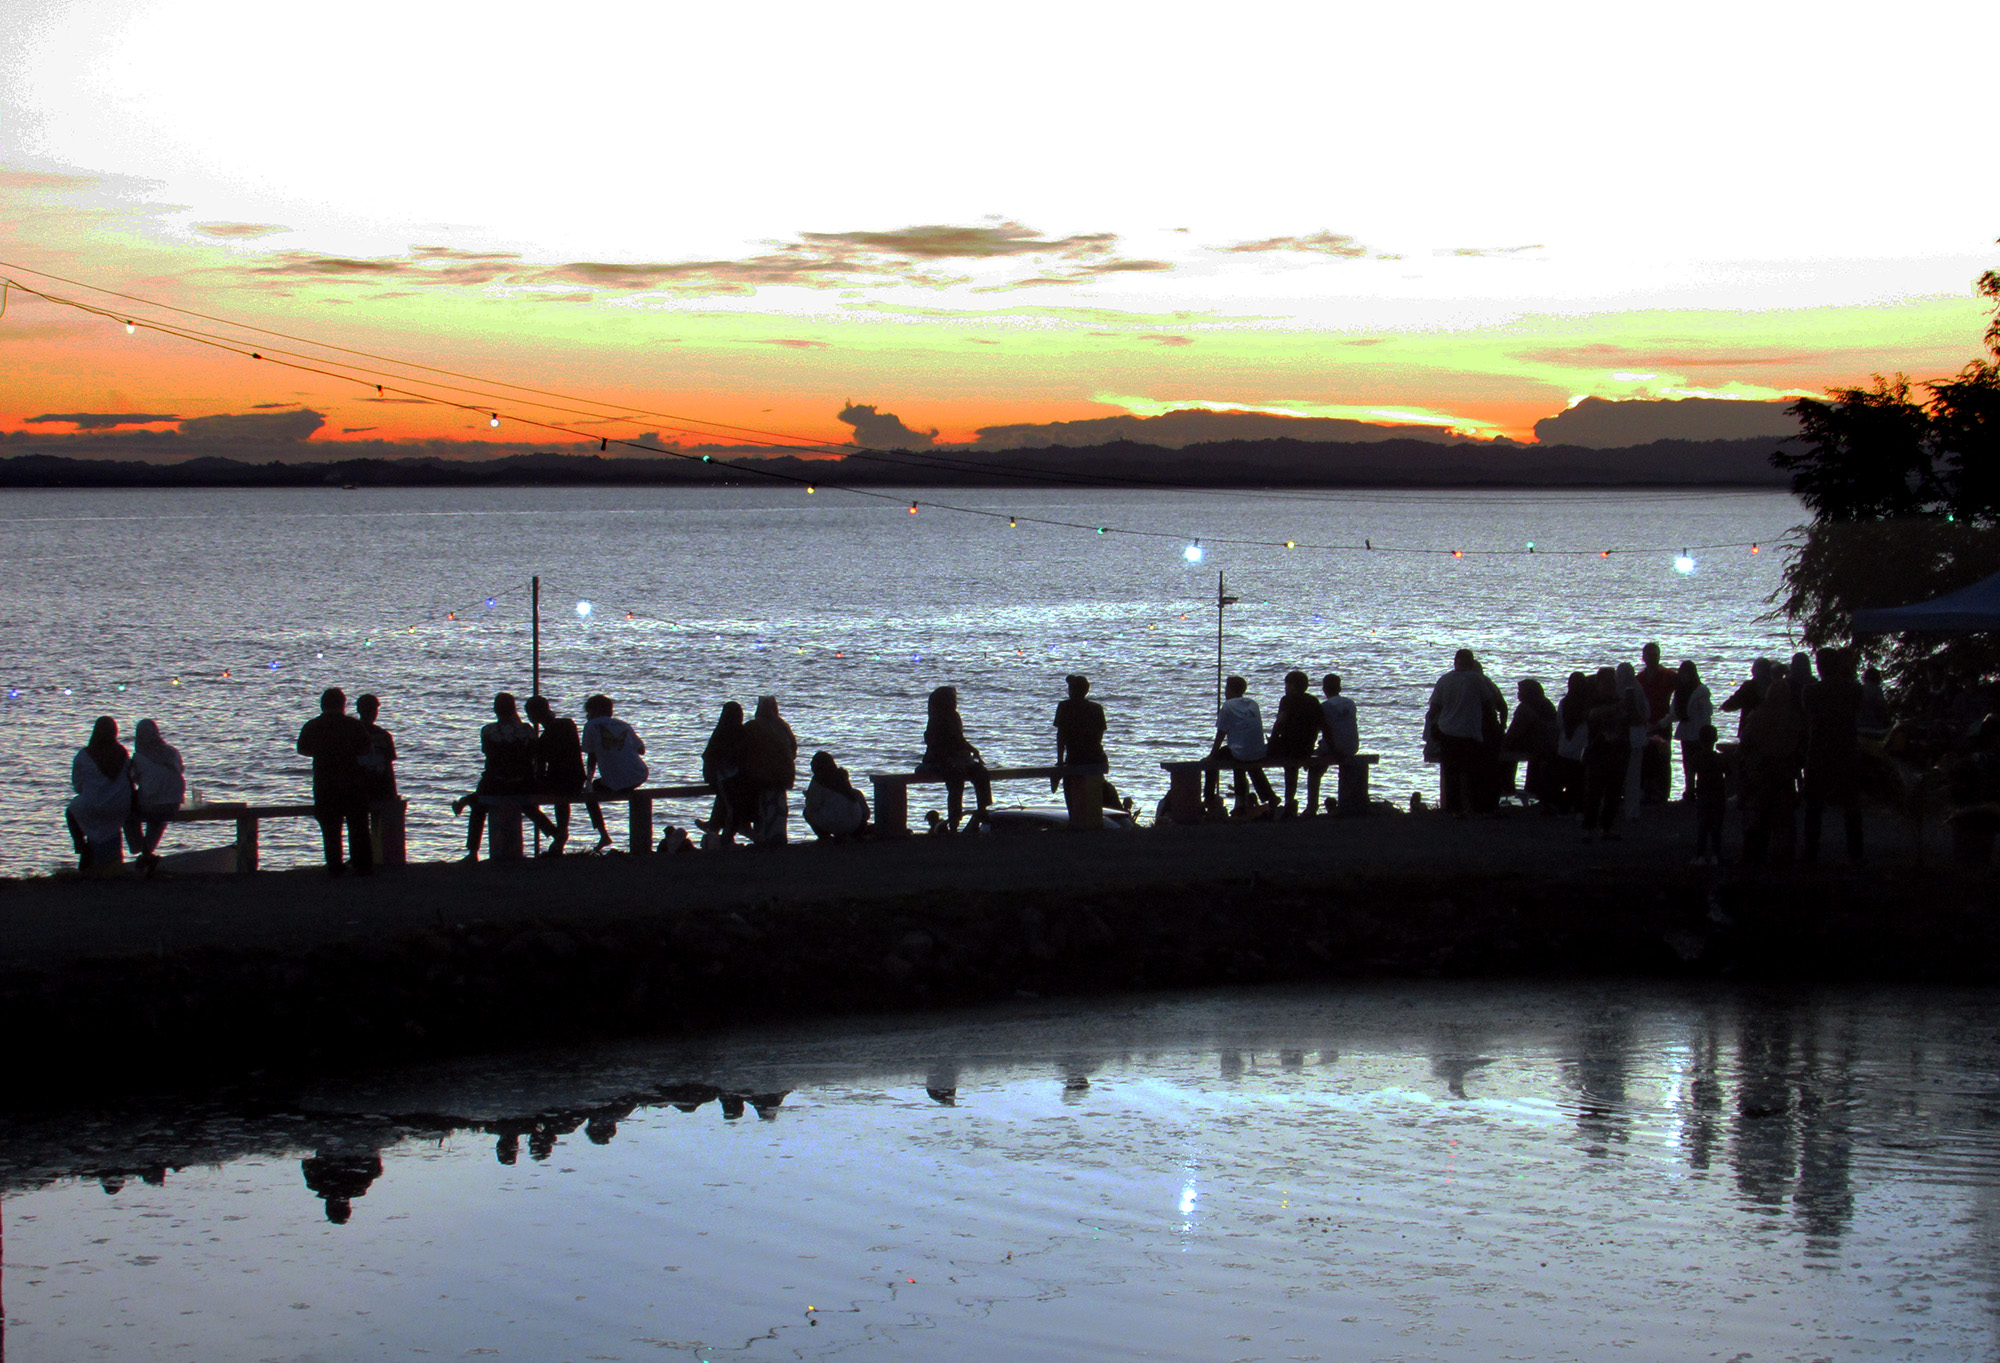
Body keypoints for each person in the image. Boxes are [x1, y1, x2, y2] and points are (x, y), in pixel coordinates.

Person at [459, 692, 557, 860]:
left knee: (479, 807)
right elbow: (535, 755)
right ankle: (553, 832)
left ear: (495, 710)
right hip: (523, 782)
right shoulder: (527, 730)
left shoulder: (488, 730)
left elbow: (487, 753)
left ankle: (473, 851)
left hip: (495, 783)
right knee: (526, 804)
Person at [1801, 646, 1866, 863]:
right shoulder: (1854, 689)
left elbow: (1808, 714)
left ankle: (1811, 852)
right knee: (1851, 806)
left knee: (1814, 806)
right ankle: (1855, 853)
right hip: (1846, 748)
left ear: (1819, 667)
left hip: (1819, 749)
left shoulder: (1811, 691)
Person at [297, 688, 372, 876]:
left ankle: (334, 865)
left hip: (325, 783)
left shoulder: (313, 725)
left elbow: (302, 749)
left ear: (323, 705)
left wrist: (322, 752)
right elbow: (366, 749)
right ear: (343, 705)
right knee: (357, 826)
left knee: (330, 828)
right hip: (352, 783)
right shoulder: (353, 725)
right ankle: (361, 865)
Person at [1426, 649, 1506, 818]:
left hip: (1447, 731)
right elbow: (1489, 704)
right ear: (1471, 662)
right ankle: (1476, 807)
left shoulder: (1444, 679)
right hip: (1470, 731)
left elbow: (1434, 709)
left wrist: (1432, 728)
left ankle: (1455, 809)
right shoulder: (1476, 679)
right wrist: (1496, 728)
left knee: (1452, 772)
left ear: (1455, 661)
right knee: (1472, 771)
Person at [1739, 672, 1802, 865]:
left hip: (1764, 769)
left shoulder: (1758, 715)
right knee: (1784, 817)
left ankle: (1755, 854)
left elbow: (1747, 741)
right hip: (1785, 771)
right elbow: (1798, 745)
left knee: (1760, 814)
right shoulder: (1793, 717)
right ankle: (1784, 854)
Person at [525, 694, 600, 856]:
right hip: (577, 778)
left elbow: (539, 768)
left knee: (524, 800)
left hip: (560, 781)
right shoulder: (568, 724)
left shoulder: (543, 740)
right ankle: (561, 833)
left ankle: (555, 832)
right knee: (561, 796)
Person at [920, 685, 991, 831]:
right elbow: (937, 746)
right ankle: (954, 821)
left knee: (981, 773)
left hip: (957, 758)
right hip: (938, 760)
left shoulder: (954, 717)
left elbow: (960, 740)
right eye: (952, 699)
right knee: (956, 778)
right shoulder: (937, 719)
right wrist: (953, 758)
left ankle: (982, 811)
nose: (955, 702)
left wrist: (972, 751)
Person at [67, 716, 132, 872]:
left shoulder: (84, 755)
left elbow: (77, 785)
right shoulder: (122, 753)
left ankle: (81, 846)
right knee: (106, 821)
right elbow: (129, 778)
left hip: (93, 804)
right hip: (120, 805)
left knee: (71, 811)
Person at [1208, 675, 1277, 816]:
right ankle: (1267, 797)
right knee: (1247, 762)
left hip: (1240, 752)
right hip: (1259, 750)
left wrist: (1212, 754)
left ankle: (1208, 797)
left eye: (1226, 688)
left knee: (1214, 763)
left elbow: (1221, 733)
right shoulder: (1253, 703)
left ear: (1230, 690)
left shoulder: (1228, 706)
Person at [1052, 674, 1115, 829]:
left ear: (1071, 690)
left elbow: (1061, 737)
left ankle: (1075, 821)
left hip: (1075, 758)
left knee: (1071, 792)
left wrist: (1060, 762)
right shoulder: (1096, 708)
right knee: (1092, 794)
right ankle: (1091, 822)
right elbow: (1099, 736)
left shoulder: (1065, 707)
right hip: (1094, 758)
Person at [125, 718, 185, 873]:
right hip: (174, 802)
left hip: (153, 803)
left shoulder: (139, 757)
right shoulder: (172, 752)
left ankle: (137, 846)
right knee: (159, 817)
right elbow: (180, 770)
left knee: (128, 810)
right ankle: (146, 854)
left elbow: (133, 779)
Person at [1266, 669, 1328, 818]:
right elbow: (1321, 725)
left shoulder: (1287, 700)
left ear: (1293, 686)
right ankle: (1309, 805)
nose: (1285, 688)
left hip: (1289, 747)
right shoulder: (1313, 701)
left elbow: (1280, 722)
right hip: (1306, 747)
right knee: (1294, 764)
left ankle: (1289, 801)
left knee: (1290, 767)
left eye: (1287, 685)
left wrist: (1273, 741)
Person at [740, 695, 799, 846]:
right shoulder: (783, 726)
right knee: (777, 806)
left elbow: (743, 751)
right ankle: (776, 836)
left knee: (762, 804)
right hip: (784, 775)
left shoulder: (753, 726)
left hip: (762, 777)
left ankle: (763, 836)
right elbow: (793, 750)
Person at [1580, 668, 1630, 841]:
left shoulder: (1619, 699)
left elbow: (1632, 720)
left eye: (1612, 681)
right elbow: (1591, 715)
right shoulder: (1593, 700)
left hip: (1617, 751)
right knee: (1594, 792)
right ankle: (1589, 828)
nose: (1611, 685)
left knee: (1614, 793)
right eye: (1607, 682)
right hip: (1598, 751)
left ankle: (1606, 827)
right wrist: (1616, 708)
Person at [699, 701, 753, 847]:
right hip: (729, 776)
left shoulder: (720, 730)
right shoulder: (739, 731)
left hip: (719, 776)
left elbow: (708, 756)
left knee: (726, 801)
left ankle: (715, 827)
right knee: (731, 804)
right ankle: (724, 834)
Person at [1304, 673, 1359, 816]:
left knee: (1314, 770)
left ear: (1324, 689)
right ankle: (1347, 803)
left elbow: (1324, 731)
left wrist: (1314, 750)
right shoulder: (1350, 703)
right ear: (1340, 688)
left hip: (1335, 747)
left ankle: (1312, 807)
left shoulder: (1324, 707)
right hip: (1352, 746)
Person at [354, 694, 398, 862]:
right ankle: (367, 857)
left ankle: (370, 856)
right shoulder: (379, 735)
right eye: (371, 709)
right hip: (364, 787)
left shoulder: (383, 735)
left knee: (371, 827)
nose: (373, 713)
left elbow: (388, 766)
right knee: (363, 826)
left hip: (375, 787)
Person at [1504, 678, 1561, 808]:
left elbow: (1514, 732)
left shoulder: (1525, 708)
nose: (1518, 694)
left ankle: (1506, 787)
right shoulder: (1546, 704)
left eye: (1520, 691)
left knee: (1503, 752)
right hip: (1549, 744)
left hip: (1536, 745)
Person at [1636, 642, 1676, 802]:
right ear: (1644, 657)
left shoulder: (1669, 676)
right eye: (1650, 655)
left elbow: (1682, 695)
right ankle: (1647, 791)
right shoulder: (1639, 679)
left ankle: (1663, 794)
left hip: (1663, 724)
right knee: (1645, 759)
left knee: (1664, 759)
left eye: (1656, 655)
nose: (1653, 658)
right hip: (1645, 725)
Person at [803, 750, 870, 839]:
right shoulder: (842, 777)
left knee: (807, 812)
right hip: (855, 823)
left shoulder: (818, 780)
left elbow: (812, 806)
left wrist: (808, 796)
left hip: (837, 824)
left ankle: (825, 837)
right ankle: (856, 833)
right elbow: (866, 813)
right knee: (857, 794)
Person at [1670, 662, 1714, 801]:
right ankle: (1689, 791)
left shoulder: (1701, 692)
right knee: (1688, 764)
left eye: (1686, 673)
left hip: (1699, 733)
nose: (1683, 677)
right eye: (1682, 673)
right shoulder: (1680, 691)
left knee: (1700, 763)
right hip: (1686, 733)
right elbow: (1675, 712)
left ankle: (1701, 790)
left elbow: (1706, 713)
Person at [1553, 671, 1592, 815]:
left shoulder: (1564, 702)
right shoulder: (1587, 704)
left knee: (1570, 781)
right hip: (1581, 747)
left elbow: (1560, 724)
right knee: (1579, 781)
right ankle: (1577, 807)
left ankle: (1566, 806)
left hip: (1565, 747)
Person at [1614, 661, 1649, 821]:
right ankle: (1632, 811)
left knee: (1619, 775)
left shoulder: (1615, 691)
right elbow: (1646, 713)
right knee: (1634, 775)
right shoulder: (1638, 689)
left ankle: (1616, 809)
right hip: (1636, 736)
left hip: (1622, 738)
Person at [1689, 723, 1728, 865]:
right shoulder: (1719, 758)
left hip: (1703, 793)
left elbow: (1691, 774)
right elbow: (1728, 773)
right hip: (1718, 794)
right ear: (1715, 739)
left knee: (1703, 825)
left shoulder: (1697, 757)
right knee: (1717, 826)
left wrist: (1691, 790)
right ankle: (1716, 855)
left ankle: (1700, 855)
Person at [1857, 665, 1892, 739]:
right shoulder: (1876, 690)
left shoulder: (1859, 689)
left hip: (1858, 727)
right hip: (1874, 728)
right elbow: (1881, 708)